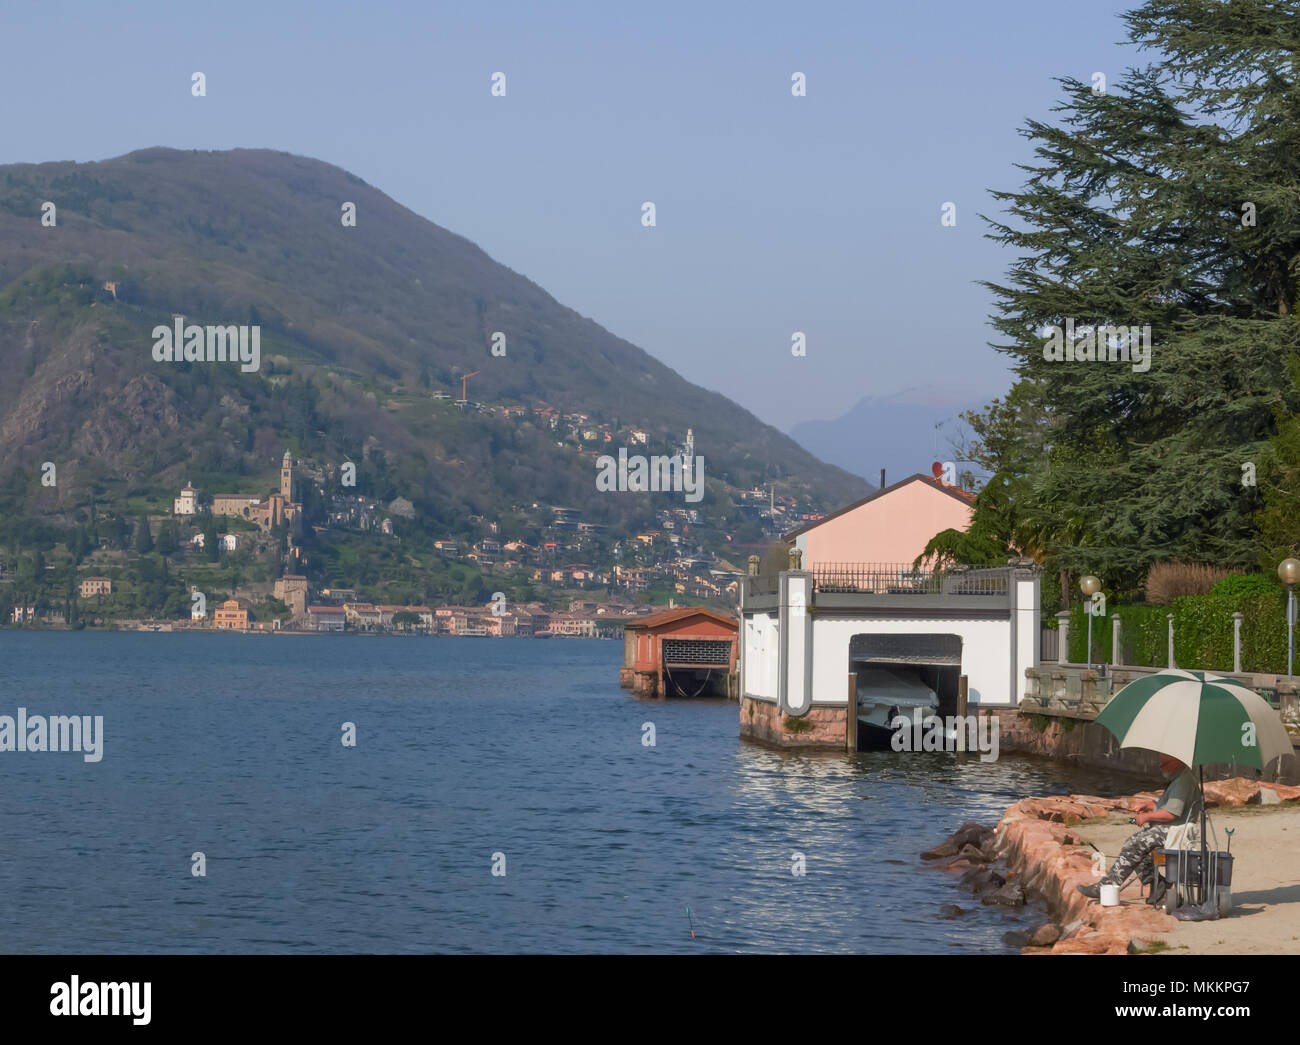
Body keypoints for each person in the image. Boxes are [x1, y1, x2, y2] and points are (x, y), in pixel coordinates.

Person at [1077, 754, 1202, 901]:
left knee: (1134, 843)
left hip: (1178, 830)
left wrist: (1146, 817)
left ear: (1176, 761)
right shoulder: (1179, 778)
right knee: (1135, 844)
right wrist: (1149, 806)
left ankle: (1105, 887)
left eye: (1164, 764)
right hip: (1172, 828)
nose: (1161, 768)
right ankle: (1157, 884)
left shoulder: (1183, 781)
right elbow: (1169, 807)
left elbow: (1171, 814)